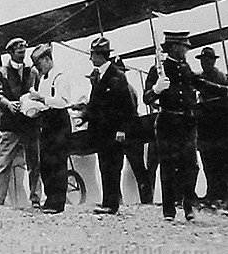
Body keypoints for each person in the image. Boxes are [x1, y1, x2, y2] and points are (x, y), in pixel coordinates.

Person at [144, 31, 228, 221]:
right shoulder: (159, 70)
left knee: (191, 166)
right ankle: (169, 211)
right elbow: (147, 97)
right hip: (167, 122)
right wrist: (157, 89)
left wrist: (224, 91)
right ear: (174, 48)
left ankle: (188, 205)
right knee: (168, 166)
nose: (187, 50)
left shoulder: (185, 68)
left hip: (187, 123)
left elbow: (199, 83)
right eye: (184, 47)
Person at [79, 38, 136, 215]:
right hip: (101, 132)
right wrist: (84, 115)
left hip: (114, 132)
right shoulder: (98, 76)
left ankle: (112, 204)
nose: (90, 58)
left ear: (99, 55)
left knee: (113, 166)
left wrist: (122, 131)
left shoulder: (117, 76)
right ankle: (107, 202)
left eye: (92, 54)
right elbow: (95, 104)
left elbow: (127, 108)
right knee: (105, 166)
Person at [0, 38, 41, 210]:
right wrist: (8, 104)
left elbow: (38, 93)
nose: (22, 52)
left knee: (34, 162)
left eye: (24, 49)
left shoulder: (32, 72)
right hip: (10, 124)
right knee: (3, 162)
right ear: (10, 52)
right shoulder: (1, 73)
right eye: (18, 50)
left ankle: (36, 198)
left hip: (30, 123)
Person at [28, 43, 71, 214]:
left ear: (47, 59)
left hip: (59, 121)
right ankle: (50, 199)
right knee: (46, 162)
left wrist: (42, 98)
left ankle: (58, 202)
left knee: (58, 162)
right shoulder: (44, 78)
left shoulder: (60, 77)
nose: (38, 69)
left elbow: (63, 101)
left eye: (39, 64)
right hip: (47, 121)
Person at [111, 56, 153, 204]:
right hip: (123, 133)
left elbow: (129, 113)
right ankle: (120, 199)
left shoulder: (127, 90)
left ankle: (146, 199)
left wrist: (121, 132)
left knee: (137, 167)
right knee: (118, 167)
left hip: (130, 133)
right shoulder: (122, 88)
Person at [193, 47, 228, 209]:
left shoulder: (221, 78)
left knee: (221, 161)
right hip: (204, 127)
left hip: (220, 127)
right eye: (202, 60)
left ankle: (223, 195)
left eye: (207, 59)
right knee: (208, 161)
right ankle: (212, 193)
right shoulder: (199, 78)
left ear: (213, 60)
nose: (204, 62)